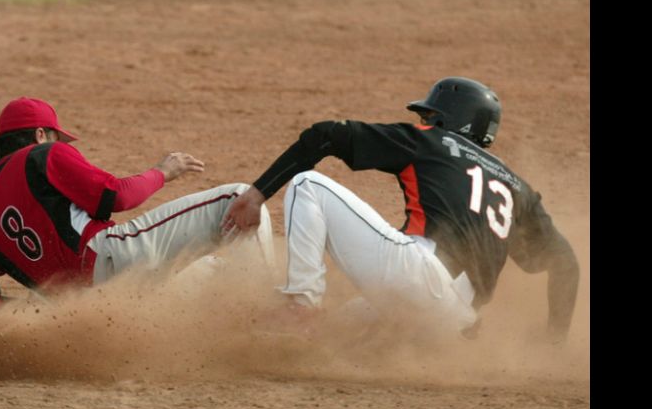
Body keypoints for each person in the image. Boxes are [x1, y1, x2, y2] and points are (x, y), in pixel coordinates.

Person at [222, 77, 579, 343]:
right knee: (331, 339)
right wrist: (555, 338)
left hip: (420, 277)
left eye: (430, 116)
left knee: (307, 185)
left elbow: (325, 135)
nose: (424, 122)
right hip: (456, 324)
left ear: (446, 122)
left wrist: (256, 195)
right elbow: (565, 263)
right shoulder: (518, 189)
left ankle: (300, 306)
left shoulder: (433, 141)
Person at [0, 97, 274, 314]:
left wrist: (32, 320)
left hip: (88, 311)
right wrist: (162, 172)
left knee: (213, 270)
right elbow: (117, 196)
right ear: (40, 134)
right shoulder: (42, 154)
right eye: (55, 136)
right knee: (240, 198)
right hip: (115, 262)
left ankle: (232, 332)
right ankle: (274, 314)